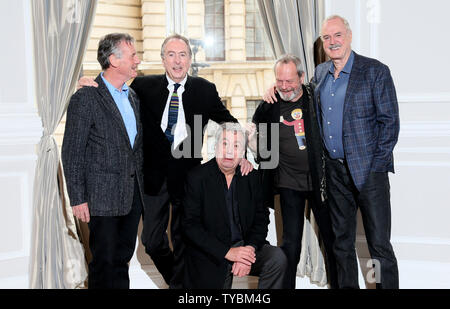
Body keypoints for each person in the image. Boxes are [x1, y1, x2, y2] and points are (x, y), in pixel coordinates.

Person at [77, 34, 253, 288]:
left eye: (183, 55)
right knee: (152, 241)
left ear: (190, 59)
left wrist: (244, 156)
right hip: (152, 179)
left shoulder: (205, 89)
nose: (177, 61)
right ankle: (178, 283)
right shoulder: (142, 86)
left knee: (184, 240)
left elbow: (230, 123)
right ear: (163, 60)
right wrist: (89, 84)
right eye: (171, 55)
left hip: (188, 179)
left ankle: (182, 290)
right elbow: (112, 93)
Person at [312, 15, 400, 289]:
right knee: (341, 244)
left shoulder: (374, 71)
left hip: (369, 173)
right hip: (335, 172)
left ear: (349, 37)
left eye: (337, 35)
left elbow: (390, 122)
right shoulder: (321, 74)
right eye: (327, 38)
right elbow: (303, 99)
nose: (332, 42)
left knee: (378, 246)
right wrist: (276, 89)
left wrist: (376, 166)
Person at [248, 54, 337, 289]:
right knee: (290, 245)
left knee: (332, 241)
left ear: (301, 77)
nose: (285, 87)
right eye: (280, 81)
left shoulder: (315, 96)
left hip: (321, 182)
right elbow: (255, 131)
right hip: (288, 183)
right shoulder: (270, 103)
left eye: (290, 81)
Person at [62, 33, 143, 289]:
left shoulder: (132, 97)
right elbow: (72, 151)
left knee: (121, 261)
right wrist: (77, 197)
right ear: (113, 60)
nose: (137, 60)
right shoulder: (85, 98)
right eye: (132, 56)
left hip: (131, 197)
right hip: (100, 199)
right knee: (103, 264)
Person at [182, 122, 287, 289]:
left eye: (236, 145)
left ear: (243, 152)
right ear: (215, 146)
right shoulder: (197, 177)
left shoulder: (251, 177)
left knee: (277, 258)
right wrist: (228, 253)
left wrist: (249, 250)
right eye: (224, 143)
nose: (229, 151)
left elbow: (261, 220)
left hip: (245, 247)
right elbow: (190, 227)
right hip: (212, 252)